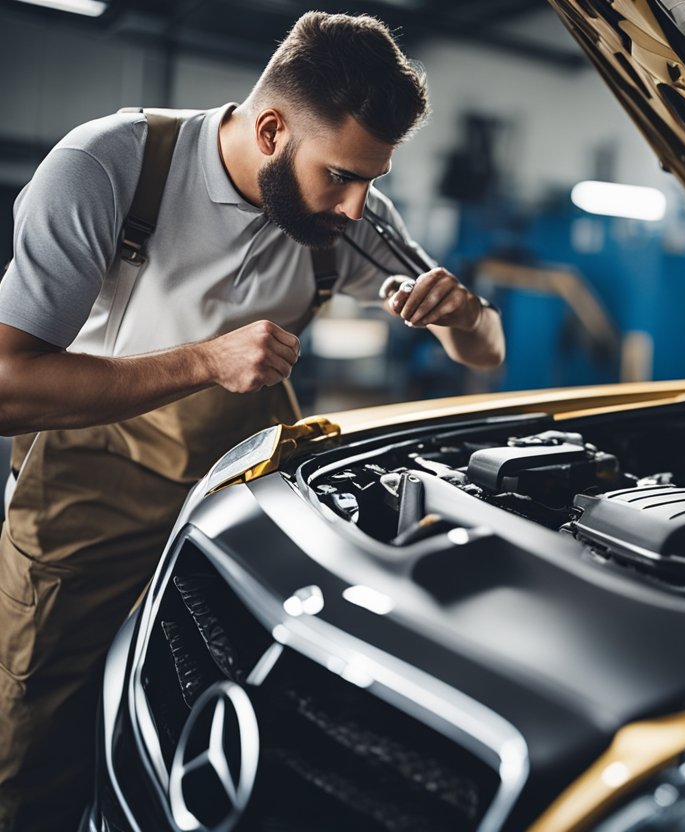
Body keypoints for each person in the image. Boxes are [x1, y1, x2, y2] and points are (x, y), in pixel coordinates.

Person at [0, 11, 504, 830]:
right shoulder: (111, 167)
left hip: (246, 497)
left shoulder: (352, 218)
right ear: (271, 129)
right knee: (29, 736)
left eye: (371, 180)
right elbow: (7, 384)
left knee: (228, 722)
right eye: (341, 175)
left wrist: (460, 312)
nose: (356, 206)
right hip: (89, 491)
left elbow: (485, 351)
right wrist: (203, 361)